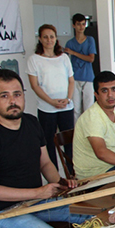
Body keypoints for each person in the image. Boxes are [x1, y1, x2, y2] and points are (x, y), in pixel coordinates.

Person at [0, 69, 88, 228]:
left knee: (89, 211)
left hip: (33, 202)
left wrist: (61, 184)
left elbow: (45, 163)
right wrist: (38, 192)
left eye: (17, 94)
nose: (13, 101)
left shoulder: (32, 123)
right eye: (4, 96)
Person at [27, 24, 75, 172]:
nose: (49, 40)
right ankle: (54, 174)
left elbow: (71, 81)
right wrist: (51, 101)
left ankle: (72, 171)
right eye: (45, 37)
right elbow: (35, 85)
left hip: (66, 106)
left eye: (52, 37)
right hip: (47, 108)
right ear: (40, 39)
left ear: (56, 39)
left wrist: (68, 99)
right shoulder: (34, 59)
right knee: (48, 142)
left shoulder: (64, 58)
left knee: (69, 140)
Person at [64, 13, 97, 121]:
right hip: (74, 78)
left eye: (83, 24)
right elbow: (65, 60)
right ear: (74, 25)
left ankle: (89, 128)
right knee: (76, 109)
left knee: (89, 108)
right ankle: (77, 130)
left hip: (88, 78)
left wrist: (74, 53)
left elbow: (91, 58)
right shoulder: (70, 43)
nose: (81, 27)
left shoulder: (90, 40)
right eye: (78, 24)